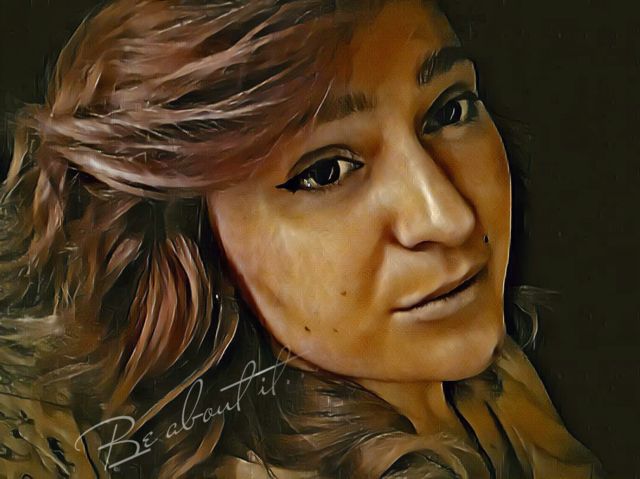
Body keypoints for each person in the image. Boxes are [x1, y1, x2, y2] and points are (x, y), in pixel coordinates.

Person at [0, 0, 605, 477]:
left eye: (448, 111)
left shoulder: (489, 383)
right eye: (325, 171)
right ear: (195, 243)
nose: (449, 218)